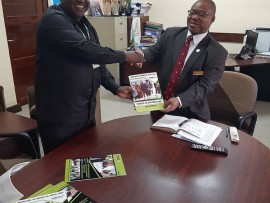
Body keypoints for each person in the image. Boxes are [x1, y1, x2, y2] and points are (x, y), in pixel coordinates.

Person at [35, 0, 144, 154]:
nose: (82, 1)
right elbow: (86, 50)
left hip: (86, 112)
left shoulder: (84, 24)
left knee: (85, 163)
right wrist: (125, 56)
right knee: (59, 170)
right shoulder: (53, 19)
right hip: (61, 117)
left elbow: (96, 60)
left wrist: (114, 86)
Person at [141, 0, 228, 120]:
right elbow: (153, 52)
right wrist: (139, 55)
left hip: (190, 113)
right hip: (159, 107)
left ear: (212, 19)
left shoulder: (217, 52)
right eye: (192, 12)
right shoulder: (170, 34)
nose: (194, 17)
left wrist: (179, 100)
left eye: (202, 14)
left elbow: (205, 85)